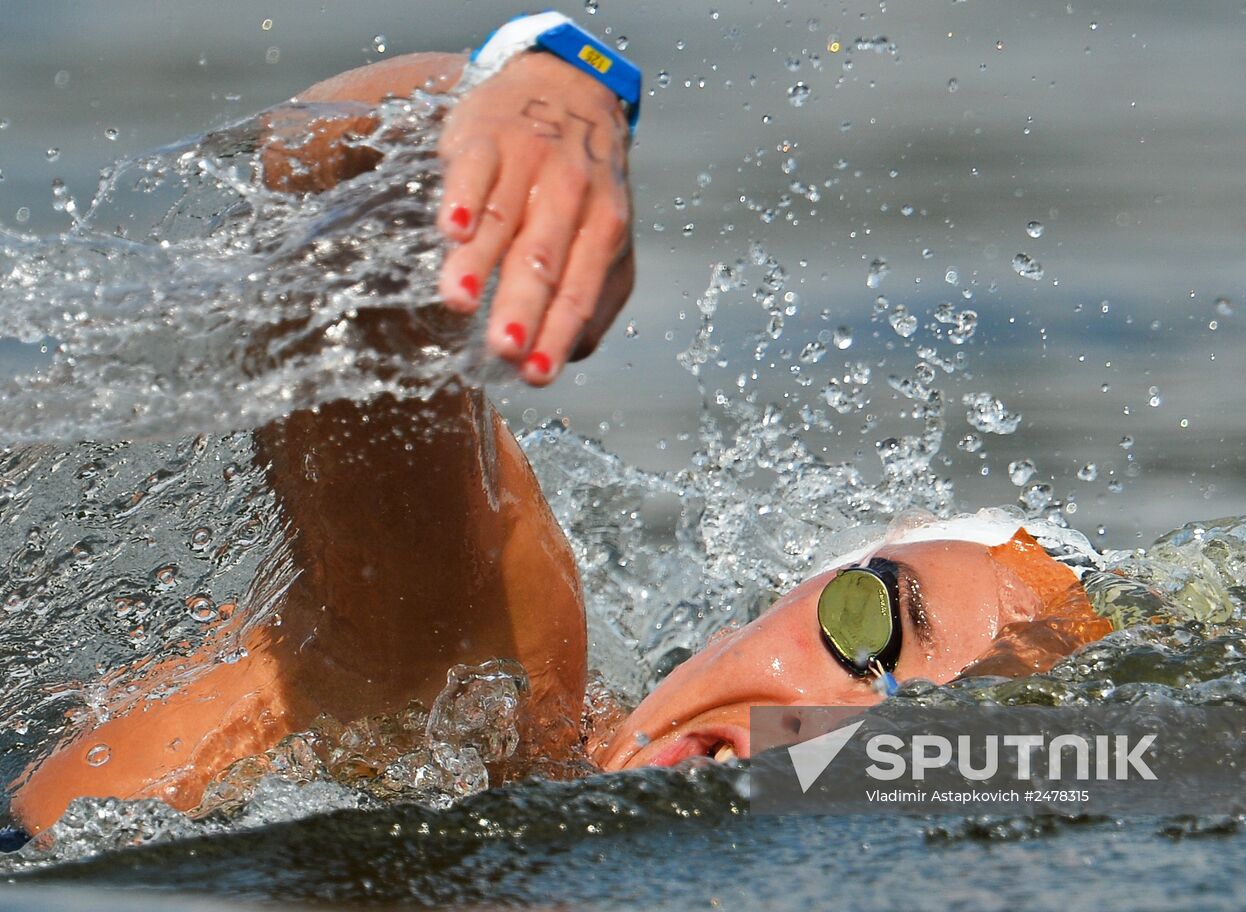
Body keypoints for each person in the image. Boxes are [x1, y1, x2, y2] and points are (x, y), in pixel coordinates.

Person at [4, 14, 1115, 835]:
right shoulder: (486, 698)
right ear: (788, 593)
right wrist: (541, 86)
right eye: (869, 628)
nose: (814, 733)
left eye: (909, 750)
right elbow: (321, 208)